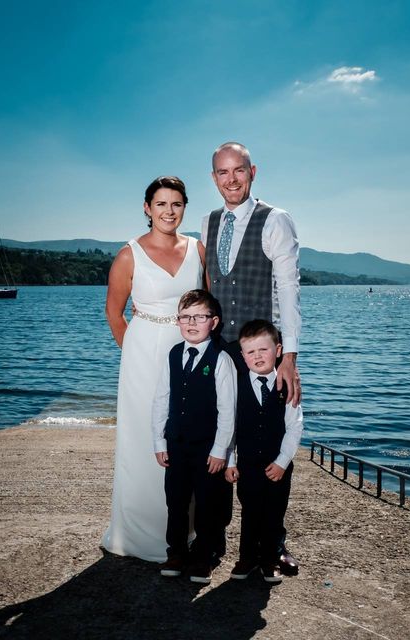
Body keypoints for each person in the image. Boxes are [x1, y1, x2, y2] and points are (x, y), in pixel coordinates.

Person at [201, 141, 302, 574]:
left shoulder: (274, 219)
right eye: (222, 172)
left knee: (266, 446)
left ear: (252, 171)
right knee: (217, 444)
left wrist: (288, 357)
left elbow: (289, 290)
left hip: (259, 352)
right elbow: (209, 285)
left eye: (238, 170)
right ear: (214, 178)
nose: (231, 179)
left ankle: (271, 542)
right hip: (218, 350)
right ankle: (212, 540)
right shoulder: (207, 223)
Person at [102, 176, 206, 563]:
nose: (169, 211)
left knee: (187, 436)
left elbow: (208, 305)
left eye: (176, 204)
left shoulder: (198, 249)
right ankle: (139, 534)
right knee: (144, 440)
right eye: (161, 204)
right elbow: (114, 314)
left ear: (184, 208)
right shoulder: (129, 254)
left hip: (190, 353)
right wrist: (135, 354)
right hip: (144, 354)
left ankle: (187, 529)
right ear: (147, 208)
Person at [151, 289, 237, 583]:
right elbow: (161, 400)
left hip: (207, 448)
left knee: (207, 504)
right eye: (185, 317)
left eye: (199, 317)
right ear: (178, 321)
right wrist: (159, 441)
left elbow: (228, 411)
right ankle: (175, 551)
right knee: (175, 502)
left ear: (213, 322)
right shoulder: (173, 354)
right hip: (176, 444)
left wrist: (221, 450)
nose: (191, 323)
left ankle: (205, 556)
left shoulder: (221, 359)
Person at [225, 319, 303, 584]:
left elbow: (294, 428)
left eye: (264, 350)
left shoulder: (287, 384)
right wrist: (230, 461)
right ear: (242, 356)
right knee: (250, 512)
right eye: (250, 352)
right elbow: (230, 427)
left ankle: (269, 561)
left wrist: (282, 462)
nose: (257, 356)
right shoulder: (236, 386)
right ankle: (247, 559)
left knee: (273, 513)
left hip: (278, 467)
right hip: (247, 465)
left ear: (278, 351)